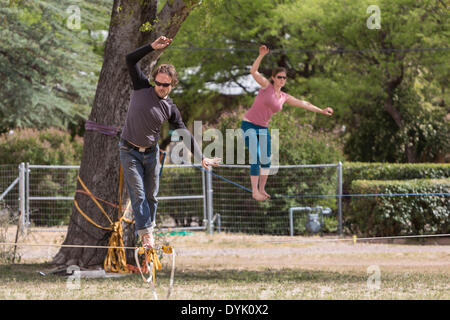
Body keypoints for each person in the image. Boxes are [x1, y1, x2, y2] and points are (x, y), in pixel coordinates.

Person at [120, 36, 220, 248]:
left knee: (151, 196)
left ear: (172, 84)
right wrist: (152, 48)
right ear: (154, 80)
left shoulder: (170, 109)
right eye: (158, 83)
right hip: (129, 151)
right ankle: (147, 236)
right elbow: (130, 59)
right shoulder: (140, 87)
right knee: (138, 195)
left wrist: (201, 157)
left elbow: (183, 131)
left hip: (151, 153)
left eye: (166, 85)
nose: (161, 87)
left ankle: (149, 229)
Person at [241, 45, 334, 201]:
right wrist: (261, 55)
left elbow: (304, 103)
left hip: (263, 128)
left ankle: (262, 189)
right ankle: (254, 191)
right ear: (273, 78)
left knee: (266, 159)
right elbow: (253, 71)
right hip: (249, 125)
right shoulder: (266, 86)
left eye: (284, 78)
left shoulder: (284, 97)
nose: (282, 80)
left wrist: (321, 110)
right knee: (256, 157)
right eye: (279, 77)